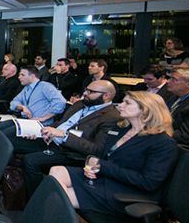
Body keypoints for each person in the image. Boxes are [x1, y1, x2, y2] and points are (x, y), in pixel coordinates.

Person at [49, 91, 179, 219]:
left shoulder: (162, 143)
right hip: (108, 179)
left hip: (128, 192)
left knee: (58, 197)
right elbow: (105, 156)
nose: (120, 105)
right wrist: (95, 169)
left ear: (145, 111)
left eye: (127, 103)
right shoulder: (121, 129)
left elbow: (148, 183)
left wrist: (102, 167)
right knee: (56, 171)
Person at [11, 80, 121, 196]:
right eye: (86, 90)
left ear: (106, 96)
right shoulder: (81, 104)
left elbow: (97, 149)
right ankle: (13, 188)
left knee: (30, 161)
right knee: (10, 143)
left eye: (90, 91)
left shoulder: (111, 117)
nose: (85, 93)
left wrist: (64, 135)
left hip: (72, 152)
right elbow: (61, 123)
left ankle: (38, 200)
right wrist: (40, 131)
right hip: (51, 140)